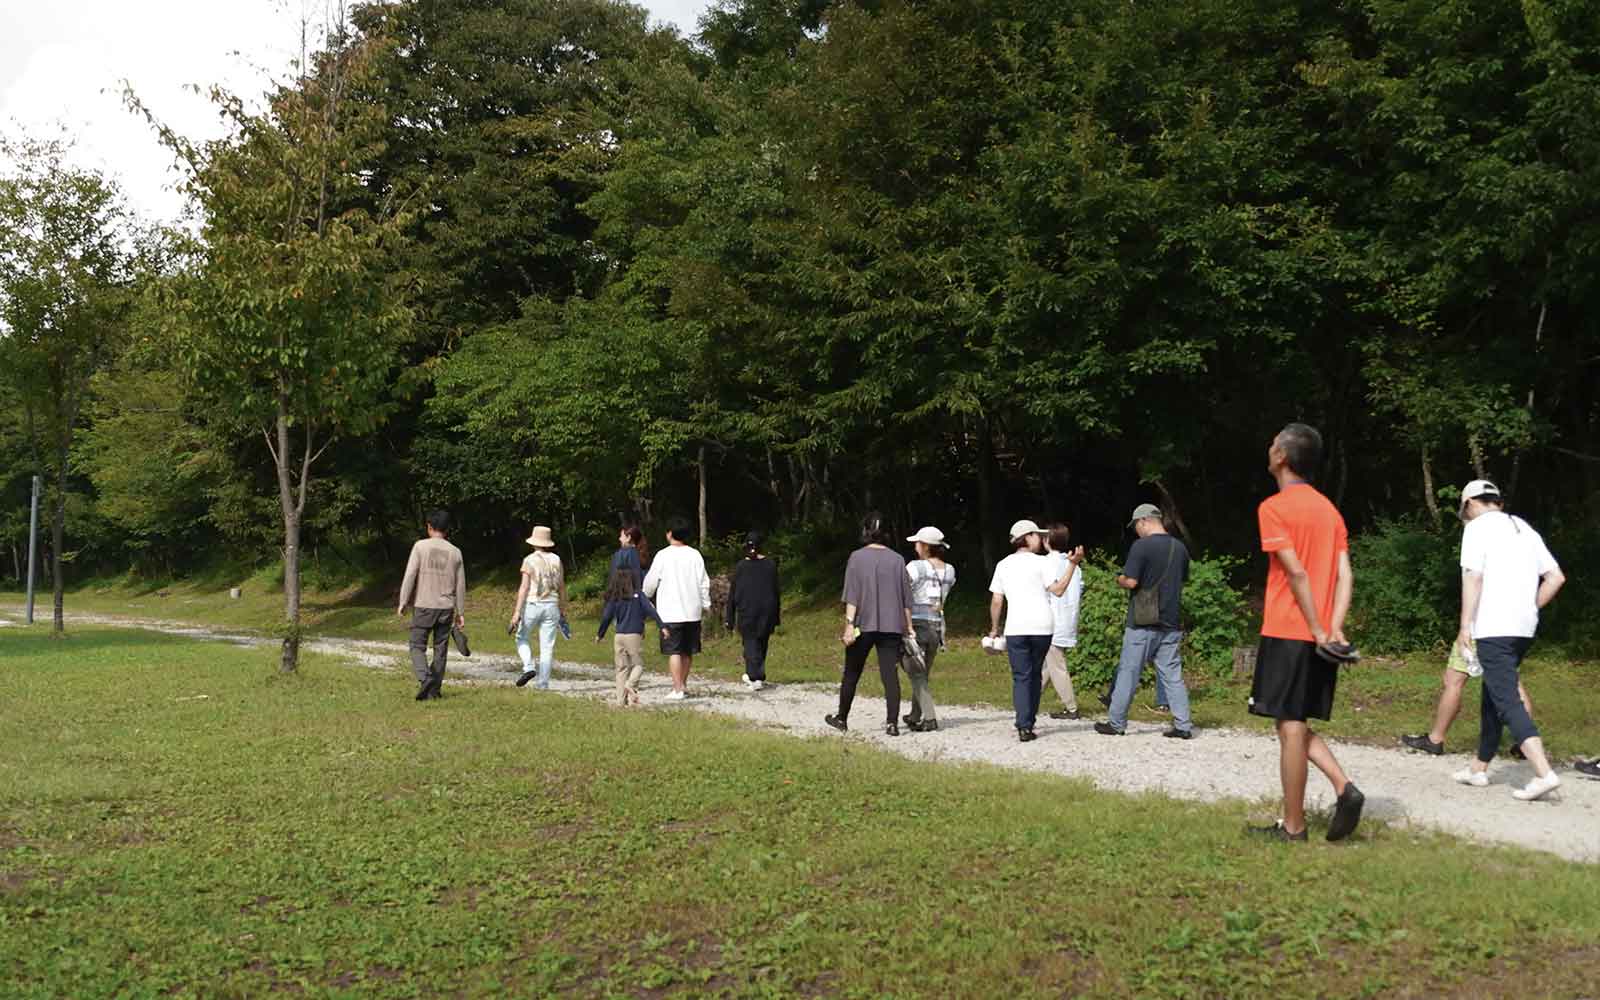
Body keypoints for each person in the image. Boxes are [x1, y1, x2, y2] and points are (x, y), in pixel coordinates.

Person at [1246, 423, 1364, 842]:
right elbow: (1345, 574)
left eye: (1274, 441)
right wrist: (1334, 625)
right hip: (1319, 634)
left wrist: (1317, 628)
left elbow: (1296, 572)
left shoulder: (1274, 508)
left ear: (1281, 457)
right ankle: (1343, 787)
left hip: (1290, 629)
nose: (1269, 445)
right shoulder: (1329, 510)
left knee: (1290, 726)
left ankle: (1293, 827)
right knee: (1289, 722)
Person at [1445, 479, 1565, 800]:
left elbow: (1474, 576)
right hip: (1523, 628)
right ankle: (1479, 768)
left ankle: (1543, 772)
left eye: (1464, 512)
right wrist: (1530, 607)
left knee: (1507, 698)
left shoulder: (1476, 529)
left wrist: (1464, 626)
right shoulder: (1524, 528)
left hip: (1493, 627)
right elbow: (1555, 577)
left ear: (1470, 504)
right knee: (1493, 692)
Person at [1095, 505, 1194, 739]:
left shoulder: (1141, 546)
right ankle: (1183, 725)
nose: (1136, 531)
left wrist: (1119, 578)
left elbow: (1130, 582)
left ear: (1143, 521)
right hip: (1170, 621)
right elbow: (1183, 579)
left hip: (1142, 621)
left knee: (1129, 671)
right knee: (1172, 674)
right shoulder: (1179, 548)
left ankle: (1116, 723)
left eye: (1136, 526)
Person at [988, 519, 1079, 743]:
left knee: (1021, 676)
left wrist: (994, 628)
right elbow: (1058, 590)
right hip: (1042, 626)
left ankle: (1023, 724)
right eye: (1037, 535)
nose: (1041, 539)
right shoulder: (1042, 563)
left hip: (1016, 627)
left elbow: (997, 600)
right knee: (1035, 674)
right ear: (1027, 537)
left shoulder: (1003, 565)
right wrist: (1072, 565)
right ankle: (1029, 722)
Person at [826, 512, 913, 737]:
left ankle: (842, 718)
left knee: (852, 673)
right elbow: (906, 599)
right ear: (886, 533)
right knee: (889, 675)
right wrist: (908, 627)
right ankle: (892, 723)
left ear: (865, 531)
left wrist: (848, 625)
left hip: (863, 624)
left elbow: (852, 596)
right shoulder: (897, 559)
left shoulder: (856, 557)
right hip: (891, 626)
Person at [1400, 645, 1536, 757]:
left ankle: (1435, 739)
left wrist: (1464, 630)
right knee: (1511, 683)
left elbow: (1471, 612)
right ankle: (1526, 743)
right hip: (1512, 634)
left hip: (1480, 632)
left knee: (1453, 681)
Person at [396, 510, 466, 701]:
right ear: (447, 529)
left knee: (416, 645)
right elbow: (460, 585)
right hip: (446, 608)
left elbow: (410, 575)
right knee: (440, 649)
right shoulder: (456, 552)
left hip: (424, 605)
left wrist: (403, 601)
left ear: (429, 526)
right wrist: (460, 612)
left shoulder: (420, 547)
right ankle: (434, 690)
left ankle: (425, 677)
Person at [642, 517, 711, 701]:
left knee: (674, 651)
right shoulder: (695, 555)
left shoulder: (663, 555)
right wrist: (706, 604)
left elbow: (650, 582)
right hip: (692, 610)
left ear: (669, 534)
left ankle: (677, 688)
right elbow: (704, 582)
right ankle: (683, 685)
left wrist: (645, 595)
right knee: (687, 651)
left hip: (670, 612)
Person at [902, 526, 954, 732]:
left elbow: (902, 591)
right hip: (937, 625)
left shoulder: (915, 567)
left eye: (917, 543)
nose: (915, 546)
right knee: (922, 671)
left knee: (915, 671)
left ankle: (930, 718)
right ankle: (915, 714)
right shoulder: (950, 570)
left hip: (915, 624)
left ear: (924, 546)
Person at [596, 567, 666, 706]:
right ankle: (630, 684)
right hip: (633, 635)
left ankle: (620, 701)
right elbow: (651, 611)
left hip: (619, 635)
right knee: (638, 665)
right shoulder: (638, 595)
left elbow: (606, 617)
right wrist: (662, 626)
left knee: (621, 668)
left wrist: (600, 634)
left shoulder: (615, 598)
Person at [511, 525, 568, 689]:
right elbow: (562, 586)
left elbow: (524, 588)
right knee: (547, 646)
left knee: (521, 637)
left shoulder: (529, 560)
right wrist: (562, 608)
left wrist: (516, 612)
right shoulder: (556, 559)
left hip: (533, 604)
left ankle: (528, 667)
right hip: (552, 605)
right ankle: (543, 684)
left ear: (534, 542)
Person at [726, 531, 781, 691]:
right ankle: (757, 675)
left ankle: (753, 675)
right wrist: (776, 615)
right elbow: (776, 592)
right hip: (766, 611)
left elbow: (733, 593)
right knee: (761, 643)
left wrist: (729, 616)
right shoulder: (770, 565)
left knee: (750, 643)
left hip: (747, 611)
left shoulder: (741, 566)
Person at [1042, 522, 1085, 721]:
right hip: (1069, 619)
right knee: (1046, 665)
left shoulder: (1046, 562)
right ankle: (1028, 701)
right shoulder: (1074, 565)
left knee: (1056, 665)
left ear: (1047, 540)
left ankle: (1071, 707)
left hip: (1052, 621)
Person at [610, 522, 650, 587]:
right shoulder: (642, 555)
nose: (619, 539)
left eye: (621, 536)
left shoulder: (621, 556)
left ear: (628, 538)